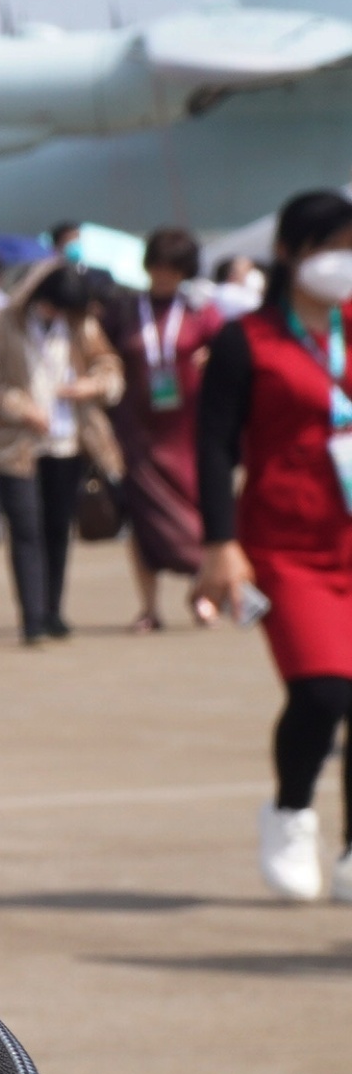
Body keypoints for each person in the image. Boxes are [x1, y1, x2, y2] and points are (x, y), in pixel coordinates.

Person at [193, 188, 352, 903]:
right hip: (285, 544)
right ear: (287, 251)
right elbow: (213, 446)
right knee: (322, 688)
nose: (342, 262)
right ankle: (290, 811)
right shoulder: (245, 339)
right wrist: (220, 543)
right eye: (330, 246)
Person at [0, 264, 115, 649]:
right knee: (26, 529)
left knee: (58, 529)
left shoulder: (81, 325)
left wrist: (92, 385)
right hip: (17, 444)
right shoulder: (1, 324)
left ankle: (54, 610)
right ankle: (31, 617)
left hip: (67, 441)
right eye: (52, 306)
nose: (57, 314)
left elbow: (109, 366)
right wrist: (20, 407)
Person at [112, 227, 230, 630]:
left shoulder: (200, 311)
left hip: (189, 429)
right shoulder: (124, 311)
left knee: (198, 515)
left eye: (172, 269)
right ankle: (149, 606)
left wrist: (212, 360)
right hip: (137, 432)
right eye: (158, 267)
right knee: (142, 521)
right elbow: (100, 355)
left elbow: (231, 353)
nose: (163, 276)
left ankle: (204, 592)